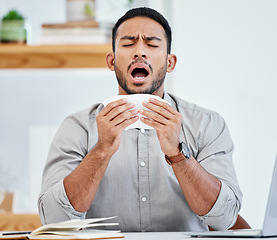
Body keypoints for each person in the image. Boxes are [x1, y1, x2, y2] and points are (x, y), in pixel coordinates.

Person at [38, 7, 242, 232]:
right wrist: (102, 149)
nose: (140, 52)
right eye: (128, 43)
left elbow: (224, 219)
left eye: (152, 44)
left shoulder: (207, 125)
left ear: (170, 62)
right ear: (111, 61)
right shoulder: (78, 127)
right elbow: (54, 221)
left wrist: (178, 155)